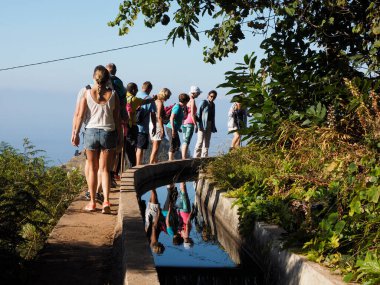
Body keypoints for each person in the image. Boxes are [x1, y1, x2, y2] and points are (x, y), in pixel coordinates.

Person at [71, 65, 121, 214]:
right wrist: (120, 136)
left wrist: (75, 133)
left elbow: (80, 115)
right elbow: (117, 118)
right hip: (108, 133)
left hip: (91, 133)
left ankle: (92, 202)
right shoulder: (114, 95)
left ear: (94, 77)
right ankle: (106, 201)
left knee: (92, 169)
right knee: (105, 170)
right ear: (108, 79)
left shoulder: (86, 94)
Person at [72, 85, 104, 203]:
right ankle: (97, 192)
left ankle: (91, 192)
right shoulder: (110, 91)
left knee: (90, 164)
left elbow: (78, 114)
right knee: (101, 165)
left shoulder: (84, 91)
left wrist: (74, 132)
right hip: (104, 130)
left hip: (88, 130)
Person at [125, 82, 156, 167]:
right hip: (137, 126)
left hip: (125, 126)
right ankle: (135, 167)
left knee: (128, 148)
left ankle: (120, 170)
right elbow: (148, 106)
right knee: (137, 148)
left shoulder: (125, 97)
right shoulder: (135, 99)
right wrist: (154, 126)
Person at [105, 63, 126, 183]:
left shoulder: (99, 83)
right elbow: (123, 100)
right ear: (115, 71)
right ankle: (112, 176)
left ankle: (105, 178)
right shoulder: (118, 82)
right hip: (116, 118)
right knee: (116, 149)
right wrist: (124, 115)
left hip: (103, 120)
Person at [149, 88, 172, 164]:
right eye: (167, 96)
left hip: (151, 123)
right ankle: (151, 163)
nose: (168, 98)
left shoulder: (155, 101)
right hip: (157, 124)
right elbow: (159, 117)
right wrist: (162, 129)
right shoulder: (159, 103)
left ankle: (154, 161)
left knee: (154, 145)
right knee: (156, 146)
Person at [136, 81, 156, 165]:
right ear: (149, 89)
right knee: (140, 147)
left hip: (133, 125)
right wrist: (154, 126)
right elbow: (153, 114)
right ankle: (138, 165)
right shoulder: (150, 99)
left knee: (135, 147)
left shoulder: (136, 95)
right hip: (143, 127)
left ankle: (134, 164)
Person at [165, 93, 190, 161]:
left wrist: (178, 128)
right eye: (187, 102)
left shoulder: (180, 107)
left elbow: (177, 119)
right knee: (173, 144)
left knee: (177, 144)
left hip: (174, 128)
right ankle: (170, 160)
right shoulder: (177, 107)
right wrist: (173, 130)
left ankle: (171, 158)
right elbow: (172, 118)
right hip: (170, 128)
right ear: (185, 101)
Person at [193, 90, 218, 158]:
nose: (212, 98)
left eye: (214, 97)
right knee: (200, 141)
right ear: (208, 95)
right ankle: (196, 157)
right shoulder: (203, 102)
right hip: (202, 124)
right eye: (211, 96)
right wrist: (198, 125)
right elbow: (198, 114)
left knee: (207, 142)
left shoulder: (213, 105)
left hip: (210, 124)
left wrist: (213, 125)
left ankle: (204, 157)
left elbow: (213, 116)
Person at [181, 86, 201, 159]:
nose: (198, 95)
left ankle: (183, 156)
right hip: (190, 122)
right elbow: (192, 114)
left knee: (184, 140)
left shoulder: (186, 100)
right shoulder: (192, 100)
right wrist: (195, 124)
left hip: (184, 121)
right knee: (187, 140)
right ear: (194, 93)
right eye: (197, 93)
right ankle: (184, 157)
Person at [145, 189, 165, 255]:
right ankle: (152, 184)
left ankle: (152, 183)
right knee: (153, 195)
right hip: (148, 219)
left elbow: (154, 227)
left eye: (162, 245)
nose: (162, 243)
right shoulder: (150, 243)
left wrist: (158, 213)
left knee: (154, 194)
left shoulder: (154, 241)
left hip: (153, 217)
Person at [177, 182, 195, 248]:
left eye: (191, 242)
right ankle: (181, 180)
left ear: (189, 242)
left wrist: (192, 212)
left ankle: (182, 179)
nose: (192, 240)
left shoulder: (186, 235)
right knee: (182, 194)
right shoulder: (181, 234)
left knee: (184, 193)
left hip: (186, 212)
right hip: (181, 213)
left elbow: (187, 223)